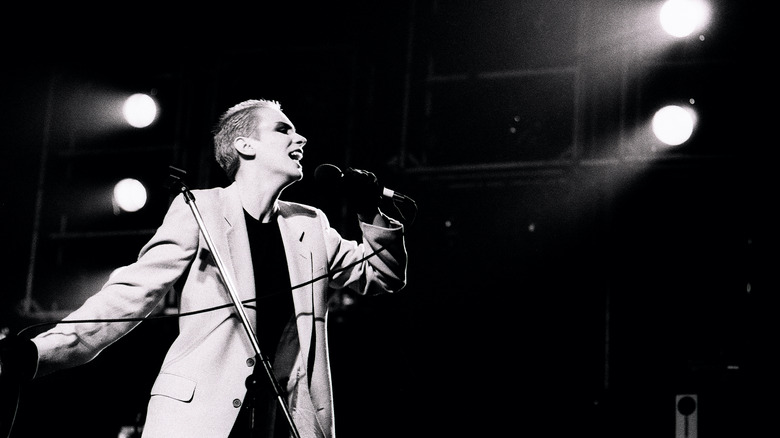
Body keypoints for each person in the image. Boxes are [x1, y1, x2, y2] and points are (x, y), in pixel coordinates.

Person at [0, 99, 408, 437]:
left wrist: (371, 210)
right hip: (199, 419)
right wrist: (40, 351)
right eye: (283, 130)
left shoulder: (310, 224)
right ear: (245, 145)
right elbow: (130, 295)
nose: (300, 137)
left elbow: (383, 276)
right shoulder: (201, 208)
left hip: (283, 423)